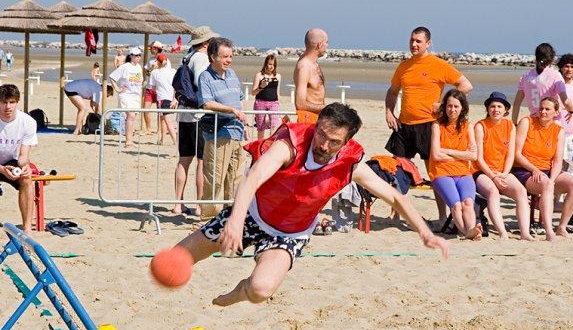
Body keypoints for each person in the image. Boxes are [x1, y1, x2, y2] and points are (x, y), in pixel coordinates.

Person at [171, 103, 448, 307]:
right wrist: (234, 222)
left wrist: (426, 233)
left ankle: (237, 293)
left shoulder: (351, 165)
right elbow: (253, 178)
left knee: (260, 290)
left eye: (334, 141)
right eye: (321, 135)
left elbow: (397, 197)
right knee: (177, 259)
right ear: (316, 127)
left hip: (290, 233)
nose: (324, 145)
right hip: (252, 214)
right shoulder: (289, 144)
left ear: (347, 143)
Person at [385, 26, 473, 228]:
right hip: (404, 125)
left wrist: (444, 104)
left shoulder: (438, 65)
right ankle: (396, 213)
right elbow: (392, 91)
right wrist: (389, 112)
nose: (414, 44)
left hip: (428, 125)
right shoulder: (404, 66)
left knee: (435, 173)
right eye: (412, 40)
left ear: (428, 43)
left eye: (418, 41)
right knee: (398, 171)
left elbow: (466, 86)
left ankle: (442, 215)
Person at [513, 97, 573, 241]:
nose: (543, 112)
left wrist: (551, 179)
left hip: (547, 171)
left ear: (556, 112)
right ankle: (549, 230)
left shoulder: (558, 131)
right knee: (546, 184)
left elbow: (557, 161)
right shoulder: (527, 122)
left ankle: (562, 227)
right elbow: (517, 154)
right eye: (541, 108)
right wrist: (534, 170)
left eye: (547, 109)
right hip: (524, 169)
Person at [172, 26, 220, 216]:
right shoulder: (200, 59)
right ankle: (200, 205)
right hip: (197, 115)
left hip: (184, 114)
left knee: (184, 160)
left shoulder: (188, 56)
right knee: (202, 161)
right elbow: (202, 85)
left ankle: (178, 203)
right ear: (206, 44)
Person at [198, 37, 247, 222]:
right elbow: (206, 103)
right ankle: (209, 217)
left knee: (235, 177)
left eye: (230, 56)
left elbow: (241, 98)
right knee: (215, 176)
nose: (228, 60)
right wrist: (231, 110)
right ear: (213, 57)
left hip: (237, 131)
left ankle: (231, 215)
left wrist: (243, 119)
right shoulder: (206, 76)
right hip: (218, 133)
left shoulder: (232, 74)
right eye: (225, 57)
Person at [474, 92, 532, 240]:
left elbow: (510, 154)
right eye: (492, 106)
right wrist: (493, 177)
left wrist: (505, 173)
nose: (496, 109)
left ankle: (525, 233)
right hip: (481, 171)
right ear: (487, 109)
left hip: (503, 171)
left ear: (505, 109)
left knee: (521, 191)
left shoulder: (510, 125)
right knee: (493, 191)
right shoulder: (480, 126)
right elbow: (479, 158)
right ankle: (502, 232)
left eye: (500, 106)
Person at [429, 89, 481, 240]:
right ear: (444, 107)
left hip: (463, 172)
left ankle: (470, 230)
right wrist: (460, 154)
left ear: (462, 108)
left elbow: (473, 155)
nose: (452, 109)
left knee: (468, 202)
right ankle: (467, 232)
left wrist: (448, 151)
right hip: (441, 172)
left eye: (456, 106)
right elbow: (436, 155)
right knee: (456, 205)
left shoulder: (467, 126)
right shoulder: (437, 126)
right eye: (449, 106)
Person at [0, 85, 37, 236]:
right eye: (4, 102)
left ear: (17, 102)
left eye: (12, 102)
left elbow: (23, 155)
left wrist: (25, 166)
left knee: (27, 180)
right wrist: (1, 169)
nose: (8, 106)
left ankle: (27, 228)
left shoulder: (28, 122)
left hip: (12, 161)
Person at [511, 43, 573, 124]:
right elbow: (565, 101)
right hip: (551, 122)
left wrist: (514, 123)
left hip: (534, 121)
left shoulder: (526, 76)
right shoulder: (555, 75)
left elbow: (517, 103)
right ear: (552, 59)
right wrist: (571, 110)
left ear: (536, 57)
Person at [109, 47, 144, 147]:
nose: (138, 57)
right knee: (131, 116)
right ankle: (128, 140)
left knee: (132, 117)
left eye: (139, 55)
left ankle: (130, 139)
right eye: (136, 55)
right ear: (131, 56)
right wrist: (117, 89)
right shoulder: (125, 66)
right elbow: (112, 77)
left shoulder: (139, 67)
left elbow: (139, 81)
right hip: (126, 94)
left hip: (136, 95)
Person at [294, 28, 328, 124]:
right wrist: (326, 108)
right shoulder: (304, 67)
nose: (327, 46)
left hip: (318, 119)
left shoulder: (313, 63)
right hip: (308, 121)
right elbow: (300, 104)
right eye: (326, 43)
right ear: (319, 44)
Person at [556, 54, 573, 171]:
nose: (569, 69)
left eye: (572, 66)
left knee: (572, 165)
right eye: (566, 66)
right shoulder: (556, 85)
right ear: (560, 67)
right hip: (557, 129)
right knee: (557, 163)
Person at [142, 41, 171, 135]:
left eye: (151, 48)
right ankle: (148, 129)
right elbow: (146, 72)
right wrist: (150, 71)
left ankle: (160, 130)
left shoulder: (165, 59)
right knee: (145, 109)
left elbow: (166, 72)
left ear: (155, 48)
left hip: (160, 88)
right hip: (150, 87)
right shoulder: (150, 60)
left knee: (160, 111)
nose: (150, 49)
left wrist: (157, 68)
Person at [251, 54, 281, 139]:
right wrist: (261, 87)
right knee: (261, 126)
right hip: (260, 102)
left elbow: (277, 92)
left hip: (273, 103)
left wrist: (278, 103)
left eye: (273, 65)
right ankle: (260, 146)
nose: (272, 67)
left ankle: (271, 146)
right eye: (270, 64)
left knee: (274, 125)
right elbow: (253, 92)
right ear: (265, 64)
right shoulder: (259, 75)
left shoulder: (278, 76)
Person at [150, 53, 177, 145]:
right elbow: (176, 86)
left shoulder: (155, 72)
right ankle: (162, 139)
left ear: (158, 62)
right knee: (163, 118)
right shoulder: (173, 71)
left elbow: (152, 88)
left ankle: (176, 142)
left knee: (167, 121)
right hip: (171, 98)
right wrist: (174, 99)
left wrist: (153, 69)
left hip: (162, 98)